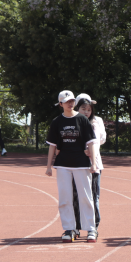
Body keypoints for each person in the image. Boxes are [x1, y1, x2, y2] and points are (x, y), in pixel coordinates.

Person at [45, 90, 99, 243]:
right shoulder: (57, 122)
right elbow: (52, 145)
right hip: (63, 164)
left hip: (81, 164)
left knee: (86, 197)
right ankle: (69, 228)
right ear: (60, 104)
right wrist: (48, 166)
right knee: (65, 198)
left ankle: (91, 229)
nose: (70, 103)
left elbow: (91, 142)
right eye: (67, 101)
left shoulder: (82, 120)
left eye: (72, 101)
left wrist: (94, 163)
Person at [72, 94, 107, 238]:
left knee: (93, 196)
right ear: (77, 107)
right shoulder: (72, 121)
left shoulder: (96, 121)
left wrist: (90, 150)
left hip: (94, 164)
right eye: (83, 108)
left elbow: (100, 139)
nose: (86, 111)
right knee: (75, 196)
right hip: (76, 164)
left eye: (89, 108)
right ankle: (76, 227)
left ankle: (93, 227)